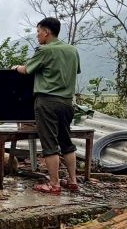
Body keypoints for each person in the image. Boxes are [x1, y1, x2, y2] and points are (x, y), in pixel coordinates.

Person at [12, 17, 80, 194]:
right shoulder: (72, 50)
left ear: (46, 32)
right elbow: (73, 71)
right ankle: (73, 181)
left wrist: (16, 67)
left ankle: (54, 184)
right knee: (66, 142)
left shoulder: (45, 50)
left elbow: (27, 70)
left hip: (47, 102)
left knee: (49, 144)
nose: (37, 36)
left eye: (38, 32)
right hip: (67, 103)